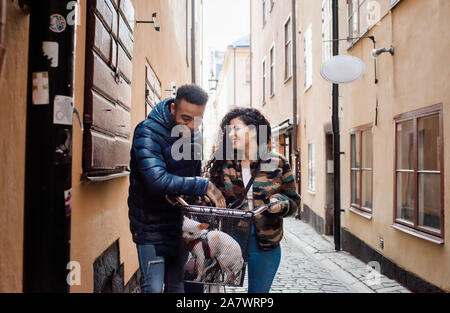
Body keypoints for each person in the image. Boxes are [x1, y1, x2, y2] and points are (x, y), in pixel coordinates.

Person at [128, 84, 226, 293]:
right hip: (150, 226)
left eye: (197, 120)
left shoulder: (195, 136)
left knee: (177, 288)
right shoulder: (147, 131)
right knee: (153, 288)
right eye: (185, 118)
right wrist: (203, 185)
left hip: (182, 227)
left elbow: (193, 175)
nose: (191, 126)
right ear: (173, 108)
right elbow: (156, 180)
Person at [205, 107, 301, 293]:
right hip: (229, 241)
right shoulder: (223, 163)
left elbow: (294, 202)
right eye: (229, 129)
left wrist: (279, 203)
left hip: (265, 243)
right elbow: (205, 198)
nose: (231, 134)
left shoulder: (277, 163)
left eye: (236, 128)